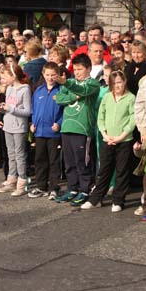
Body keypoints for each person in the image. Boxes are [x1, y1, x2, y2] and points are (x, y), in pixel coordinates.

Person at [81, 70, 136, 211]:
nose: (117, 86)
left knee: (121, 171)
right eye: (114, 83)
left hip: (124, 140)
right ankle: (96, 199)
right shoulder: (106, 97)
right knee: (104, 170)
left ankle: (118, 200)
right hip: (107, 140)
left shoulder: (130, 98)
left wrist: (121, 136)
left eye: (119, 82)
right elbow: (101, 116)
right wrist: (104, 134)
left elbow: (132, 119)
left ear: (124, 82)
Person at [54, 54, 100, 205]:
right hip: (67, 127)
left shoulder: (93, 83)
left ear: (89, 69)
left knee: (82, 161)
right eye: (75, 69)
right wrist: (73, 97)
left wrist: (67, 85)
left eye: (80, 69)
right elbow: (59, 99)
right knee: (69, 162)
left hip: (82, 128)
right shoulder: (70, 82)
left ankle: (85, 189)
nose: (77, 72)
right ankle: (72, 188)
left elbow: (83, 90)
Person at [27, 62, 64, 199]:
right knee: (40, 160)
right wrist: (33, 123)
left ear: (58, 75)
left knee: (53, 160)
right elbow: (34, 109)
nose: (50, 77)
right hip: (39, 131)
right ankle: (41, 186)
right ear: (43, 74)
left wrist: (59, 124)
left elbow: (65, 111)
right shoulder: (39, 90)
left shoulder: (61, 90)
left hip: (53, 132)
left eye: (53, 75)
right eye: (47, 74)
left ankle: (54, 187)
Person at [0, 64, 32, 197]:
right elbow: (8, 106)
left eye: (5, 76)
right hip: (8, 125)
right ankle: (11, 180)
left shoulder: (25, 89)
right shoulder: (9, 88)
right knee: (10, 154)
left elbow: (28, 111)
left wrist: (10, 109)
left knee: (20, 154)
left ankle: (22, 182)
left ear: (13, 76)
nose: (3, 79)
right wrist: (1, 108)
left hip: (19, 127)